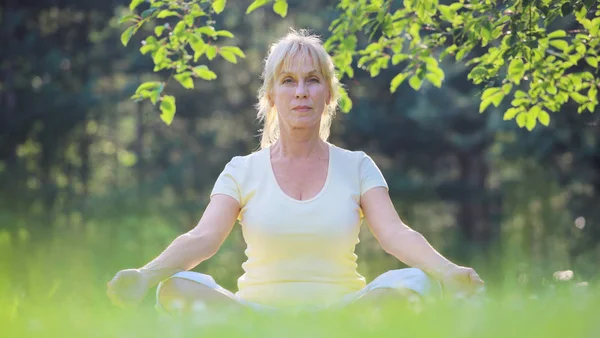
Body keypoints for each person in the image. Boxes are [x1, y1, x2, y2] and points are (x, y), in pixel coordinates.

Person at [106, 29, 484, 314]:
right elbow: (203, 238)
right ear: (271, 96)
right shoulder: (242, 171)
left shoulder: (357, 166)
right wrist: (147, 274)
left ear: (328, 95)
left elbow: (395, 234)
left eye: (313, 80)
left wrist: (448, 271)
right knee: (174, 288)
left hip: (342, 313)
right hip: (255, 316)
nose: (301, 92)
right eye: (288, 81)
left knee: (416, 282)